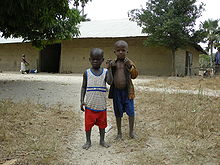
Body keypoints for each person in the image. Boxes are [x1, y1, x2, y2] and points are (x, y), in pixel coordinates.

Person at [80, 48, 113, 150]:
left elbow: (110, 82)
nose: (95, 61)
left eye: (98, 59)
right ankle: (88, 141)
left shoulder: (105, 72)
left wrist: (110, 69)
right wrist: (82, 101)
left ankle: (102, 140)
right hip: (90, 105)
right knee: (88, 125)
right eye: (93, 59)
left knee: (102, 125)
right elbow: (83, 87)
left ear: (102, 60)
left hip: (101, 106)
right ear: (89, 59)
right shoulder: (87, 73)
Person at [107, 40, 138, 140]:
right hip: (116, 92)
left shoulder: (129, 63)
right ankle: (119, 133)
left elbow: (134, 76)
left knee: (131, 111)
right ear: (114, 52)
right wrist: (109, 68)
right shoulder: (113, 63)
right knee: (118, 112)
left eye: (123, 50)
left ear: (127, 52)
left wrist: (130, 66)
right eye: (118, 50)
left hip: (128, 91)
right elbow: (109, 81)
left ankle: (131, 132)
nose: (121, 52)